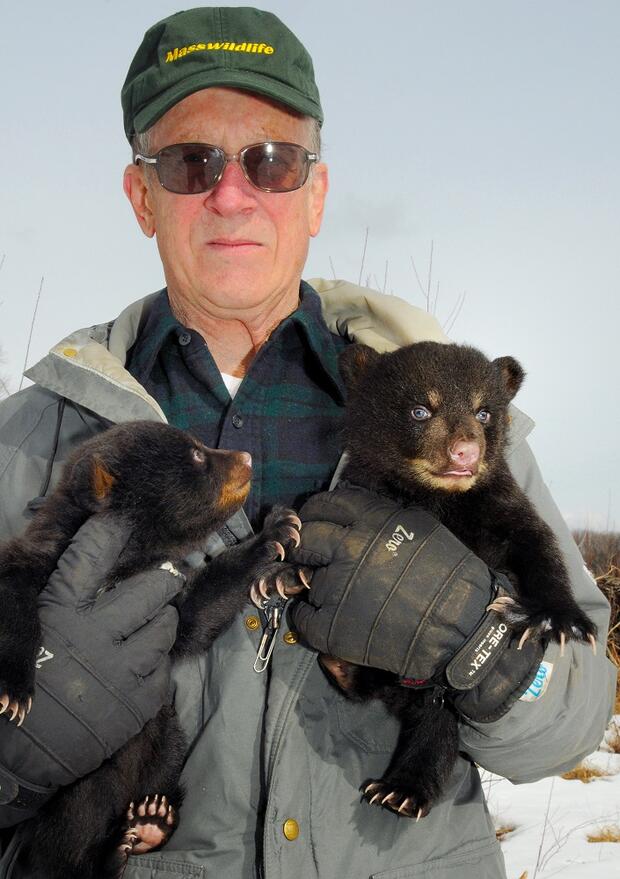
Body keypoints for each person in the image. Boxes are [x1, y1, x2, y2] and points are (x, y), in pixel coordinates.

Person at [0, 7, 615, 879]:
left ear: (316, 193)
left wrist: (486, 644)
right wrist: (16, 753)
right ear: (141, 196)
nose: (231, 191)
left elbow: (579, 707)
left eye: (272, 160)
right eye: (190, 161)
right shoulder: (34, 435)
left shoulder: (449, 417)